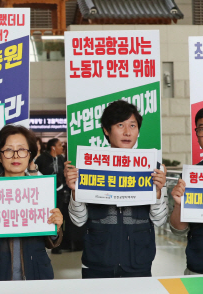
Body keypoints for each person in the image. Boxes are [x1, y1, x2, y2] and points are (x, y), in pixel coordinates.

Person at [65, 100, 167, 278]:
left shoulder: (153, 169)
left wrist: (157, 193)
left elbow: (159, 220)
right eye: (120, 125)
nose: (127, 132)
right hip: (97, 261)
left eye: (132, 125)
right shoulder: (90, 167)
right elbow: (79, 220)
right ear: (106, 130)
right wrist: (75, 192)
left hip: (139, 261)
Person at [0, 125, 63, 281]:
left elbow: (51, 242)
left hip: (36, 274)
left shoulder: (40, 190)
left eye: (22, 150)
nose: (16, 156)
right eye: (9, 150)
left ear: (30, 154)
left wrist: (56, 227)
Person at [170, 104, 203, 274]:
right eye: (202, 130)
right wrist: (178, 205)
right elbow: (178, 230)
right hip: (200, 269)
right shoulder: (190, 178)